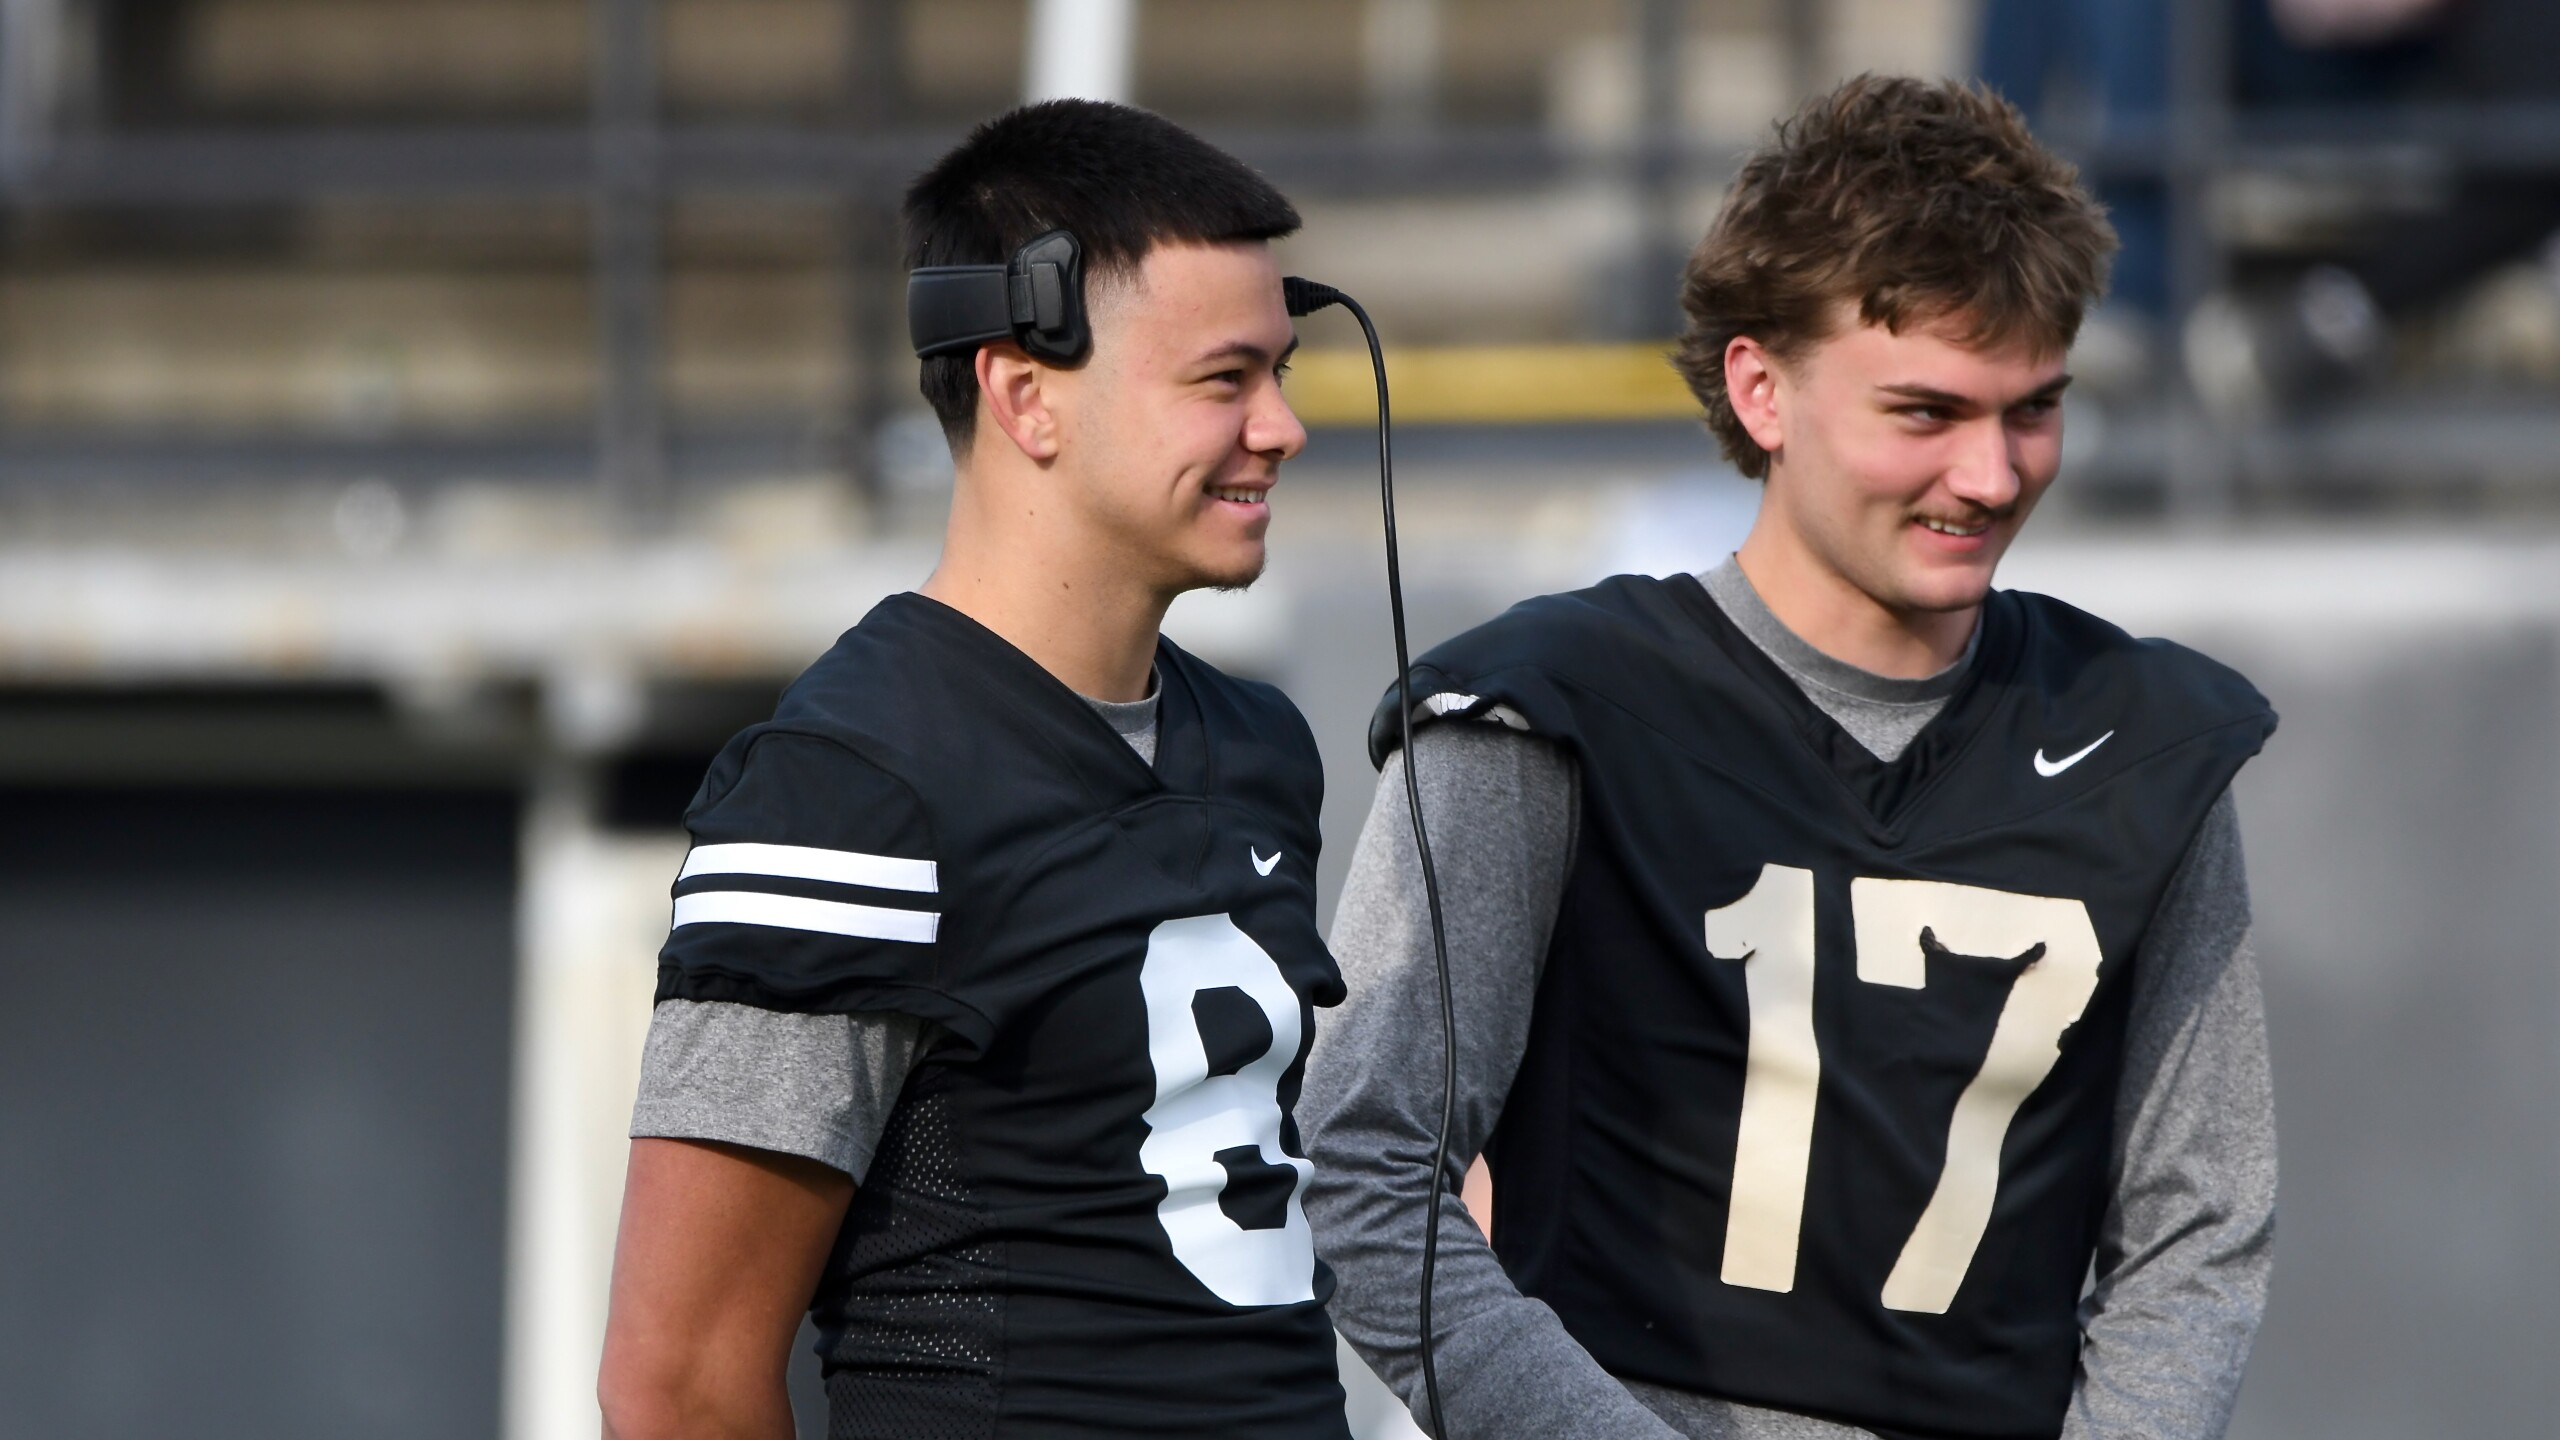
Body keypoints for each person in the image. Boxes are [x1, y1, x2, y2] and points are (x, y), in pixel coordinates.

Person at [1304, 76, 2279, 1440]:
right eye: (1927, 414)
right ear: (1760, 386)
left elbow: (2201, 1220)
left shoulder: (2144, 739)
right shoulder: (1544, 707)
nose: (1994, 475)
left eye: (2035, 408)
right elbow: (1363, 1164)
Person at [598, 99, 1353, 1440]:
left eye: (1281, 374)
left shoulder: (1257, 748)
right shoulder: (849, 792)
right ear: (1025, 394)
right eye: (1224, 380)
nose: (1282, 427)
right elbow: (681, 1382)